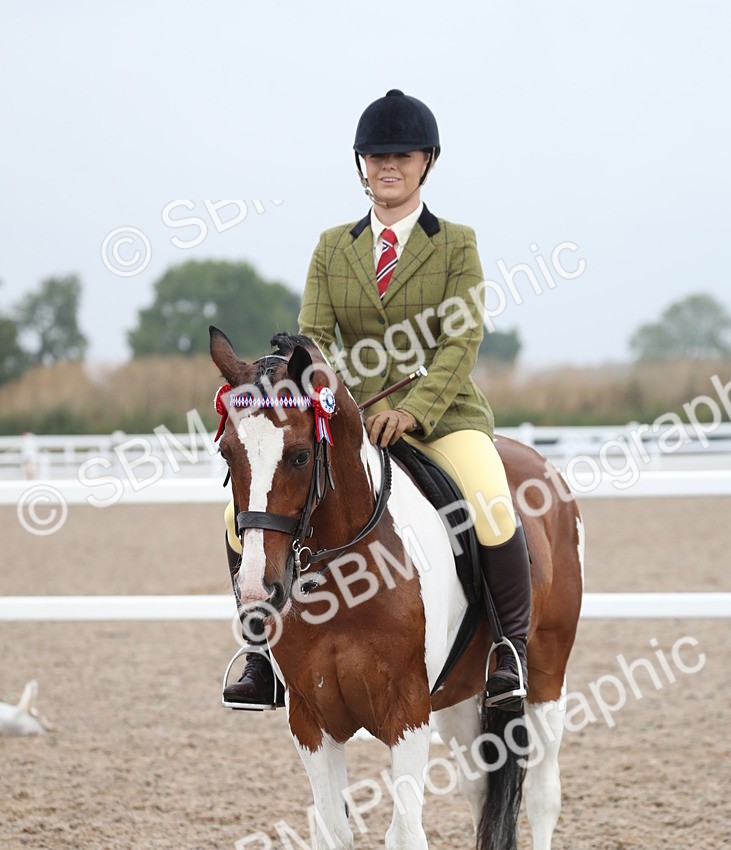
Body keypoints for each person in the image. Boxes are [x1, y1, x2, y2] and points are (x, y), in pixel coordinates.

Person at [222, 88, 531, 711]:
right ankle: (262, 651)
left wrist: (414, 409)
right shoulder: (332, 246)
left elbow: (461, 340)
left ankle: (509, 650)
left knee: (492, 503)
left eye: (403, 155)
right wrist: (340, 408)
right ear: (361, 164)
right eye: (376, 156)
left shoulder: (457, 244)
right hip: (351, 420)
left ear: (427, 162)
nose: (389, 166)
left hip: (444, 417)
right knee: (242, 515)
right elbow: (314, 342)